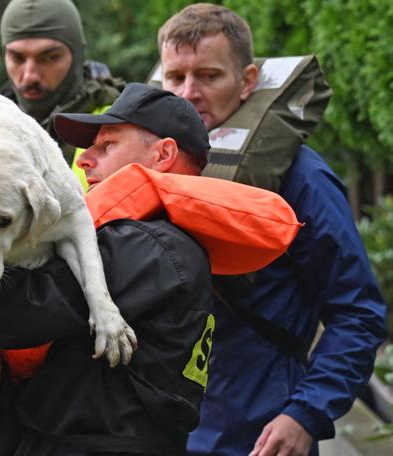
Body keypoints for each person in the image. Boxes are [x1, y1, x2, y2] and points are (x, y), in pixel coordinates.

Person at [0, 83, 300, 455]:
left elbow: (11, 313)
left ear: (163, 154)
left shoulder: (149, 248)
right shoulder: (160, 243)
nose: (84, 159)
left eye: (107, 145)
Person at [157, 4, 387, 455]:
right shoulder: (153, 173)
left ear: (247, 82)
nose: (188, 93)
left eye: (208, 76)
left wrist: (306, 413)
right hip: (168, 431)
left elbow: (358, 314)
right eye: (175, 77)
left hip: (257, 435)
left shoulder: (302, 178)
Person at [0, 0, 124, 177]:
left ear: (77, 56)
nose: (29, 75)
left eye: (49, 58)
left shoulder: (118, 126)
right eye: (17, 58)